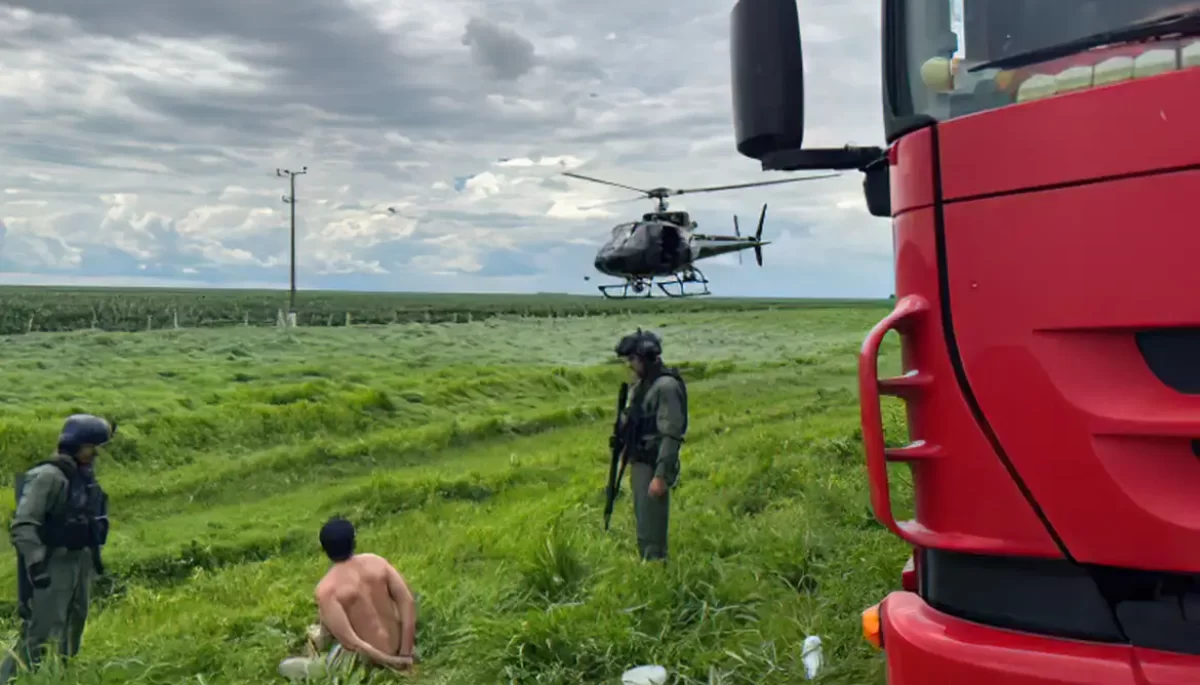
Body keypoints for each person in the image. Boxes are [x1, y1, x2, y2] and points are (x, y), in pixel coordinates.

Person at [0, 414, 114, 683]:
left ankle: (62, 676)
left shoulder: (83, 476)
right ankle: (9, 679)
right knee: (39, 633)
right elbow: (24, 524)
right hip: (53, 563)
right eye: (90, 447)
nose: (94, 453)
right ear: (74, 445)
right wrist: (36, 564)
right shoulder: (47, 477)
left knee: (75, 624)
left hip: (80, 561)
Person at [278, 517, 417, 680]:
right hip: (400, 647)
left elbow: (353, 644)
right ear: (354, 541)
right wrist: (406, 652)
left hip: (365, 665)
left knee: (284, 667)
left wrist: (394, 663)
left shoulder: (327, 590)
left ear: (324, 550)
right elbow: (407, 602)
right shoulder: (377, 562)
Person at [615, 329, 688, 562]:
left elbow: (671, 433)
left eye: (632, 360)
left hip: (653, 462)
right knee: (643, 520)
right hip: (640, 460)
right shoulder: (643, 386)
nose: (629, 365)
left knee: (652, 525)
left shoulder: (665, 386)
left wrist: (661, 475)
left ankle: (657, 570)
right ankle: (649, 563)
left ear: (645, 357)